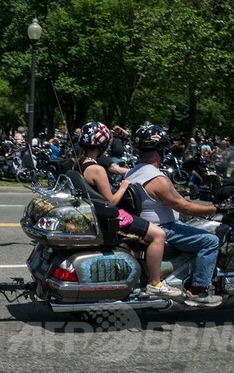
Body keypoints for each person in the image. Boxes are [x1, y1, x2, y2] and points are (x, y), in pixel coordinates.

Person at [77, 121, 181, 299]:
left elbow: (116, 169)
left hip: (97, 214)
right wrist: (124, 186)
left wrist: (135, 172)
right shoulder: (97, 169)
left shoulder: (79, 164)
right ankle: (155, 283)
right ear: (103, 144)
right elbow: (111, 200)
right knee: (158, 235)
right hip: (111, 216)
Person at [126, 123, 224, 307]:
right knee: (210, 241)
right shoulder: (157, 178)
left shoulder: (133, 172)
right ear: (160, 151)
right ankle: (198, 291)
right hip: (164, 228)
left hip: (143, 225)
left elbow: (166, 199)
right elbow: (184, 208)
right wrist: (216, 208)